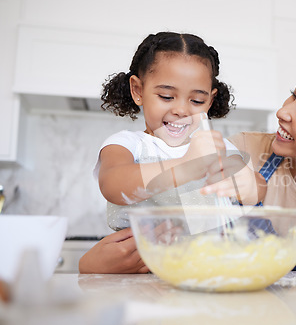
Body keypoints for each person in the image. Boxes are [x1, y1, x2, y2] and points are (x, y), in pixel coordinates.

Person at [80, 53, 296, 273]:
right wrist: (91, 266)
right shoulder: (242, 150)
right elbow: (173, 229)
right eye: (293, 95)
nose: (283, 111)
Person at [79, 32, 265, 273]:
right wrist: (185, 166)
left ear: (210, 100)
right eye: (166, 96)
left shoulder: (217, 147)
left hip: (210, 273)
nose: (181, 110)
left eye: (197, 100)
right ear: (138, 90)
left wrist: (250, 186)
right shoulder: (128, 144)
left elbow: (259, 186)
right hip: (141, 278)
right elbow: (113, 184)